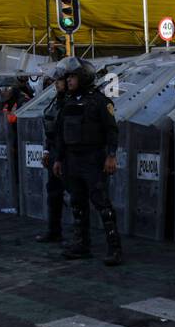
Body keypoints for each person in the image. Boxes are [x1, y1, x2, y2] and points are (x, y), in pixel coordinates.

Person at [50, 56, 123, 266]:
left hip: (93, 159)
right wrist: (59, 159)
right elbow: (61, 134)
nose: (69, 80)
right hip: (73, 160)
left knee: (102, 204)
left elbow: (112, 130)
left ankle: (114, 248)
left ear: (83, 77)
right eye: (68, 77)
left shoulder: (100, 101)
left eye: (72, 76)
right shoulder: (68, 102)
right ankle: (82, 245)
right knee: (77, 204)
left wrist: (111, 155)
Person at [36, 64, 69, 244]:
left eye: (60, 81)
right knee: (54, 193)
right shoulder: (57, 100)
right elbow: (51, 128)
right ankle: (54, 230)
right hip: (57, 151)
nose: (56, 84)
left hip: (71, 154)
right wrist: (48, 150)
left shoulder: (73, 101)